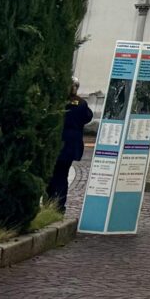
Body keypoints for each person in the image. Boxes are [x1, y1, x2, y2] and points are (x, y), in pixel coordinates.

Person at [49, 81, 92, 211]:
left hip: (56, 142)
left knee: (51, 175)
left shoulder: (56, 101)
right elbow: (88, 117)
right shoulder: (81, 103)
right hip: (71, 144)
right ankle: (59, 206)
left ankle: (49, 202)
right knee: (62, 175)